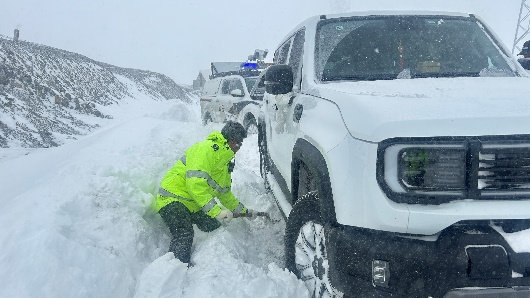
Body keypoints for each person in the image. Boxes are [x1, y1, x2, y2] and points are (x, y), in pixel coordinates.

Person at [154, 121, 256, 263]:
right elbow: (195, 185)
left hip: (192, 203)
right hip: (172, 200)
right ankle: (175, 269)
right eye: (239, 143)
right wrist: (217, 212)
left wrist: (244, 211)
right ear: (231, 140)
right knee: (184, 233)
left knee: (212, 226)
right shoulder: (206, 150)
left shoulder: (224, 162)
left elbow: (225, 194)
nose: (239, 148)